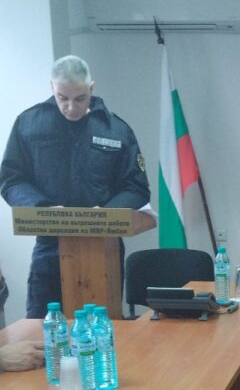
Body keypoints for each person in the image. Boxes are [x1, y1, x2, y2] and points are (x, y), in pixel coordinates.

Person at [0, 55, 150, 318]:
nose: (71, 107)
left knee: (103, 328)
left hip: (103, 245)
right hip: (50, 245)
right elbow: (11, 179)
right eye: (63, 98)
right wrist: (42, 208)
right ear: (52, 88)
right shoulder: (29, 123)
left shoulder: (115, 129)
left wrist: (105, 213)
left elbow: (136, 186)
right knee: (43, 327)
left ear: (91, 88)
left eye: (80, 98)